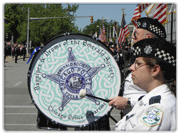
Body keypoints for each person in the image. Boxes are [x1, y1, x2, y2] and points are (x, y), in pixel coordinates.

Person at [109, 17, 167, 116]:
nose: (133, 37)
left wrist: (128, 102)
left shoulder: (158, 62)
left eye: (136, 34)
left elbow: (161, 97)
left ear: (148, 37)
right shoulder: (139, 56)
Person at [115, 38, 176, 131]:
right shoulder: (151, 101)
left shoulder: (159, 108)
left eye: (138, 64)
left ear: (155, 70)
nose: (131, 68)